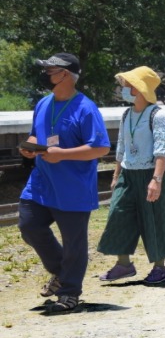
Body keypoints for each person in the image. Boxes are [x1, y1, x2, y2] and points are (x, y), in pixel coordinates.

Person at [18, 53, 111, 313]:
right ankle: (62, 272)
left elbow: (100, 147)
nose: (46, 75)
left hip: (73, 189)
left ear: (66, 75)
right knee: (29, 225)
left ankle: (70, 293)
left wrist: (63, 154)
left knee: (74, 243)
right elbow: (39, 134)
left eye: (50, 70)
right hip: (41, 183)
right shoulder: (43, 103)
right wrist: (31, 146)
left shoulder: (86, 108)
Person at [98, 66, 165, 285]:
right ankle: (124, 264)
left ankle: (160, 268)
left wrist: (157, 180)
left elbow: (162, 150)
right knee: (118, 214)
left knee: (155, 219)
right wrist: (117, 174)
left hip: (152, 174)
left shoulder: (159, 115)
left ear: (141, 89)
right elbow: (122, 145)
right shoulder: (126, 114)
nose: (124, 88)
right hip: (129, 173)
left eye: (129, 85)